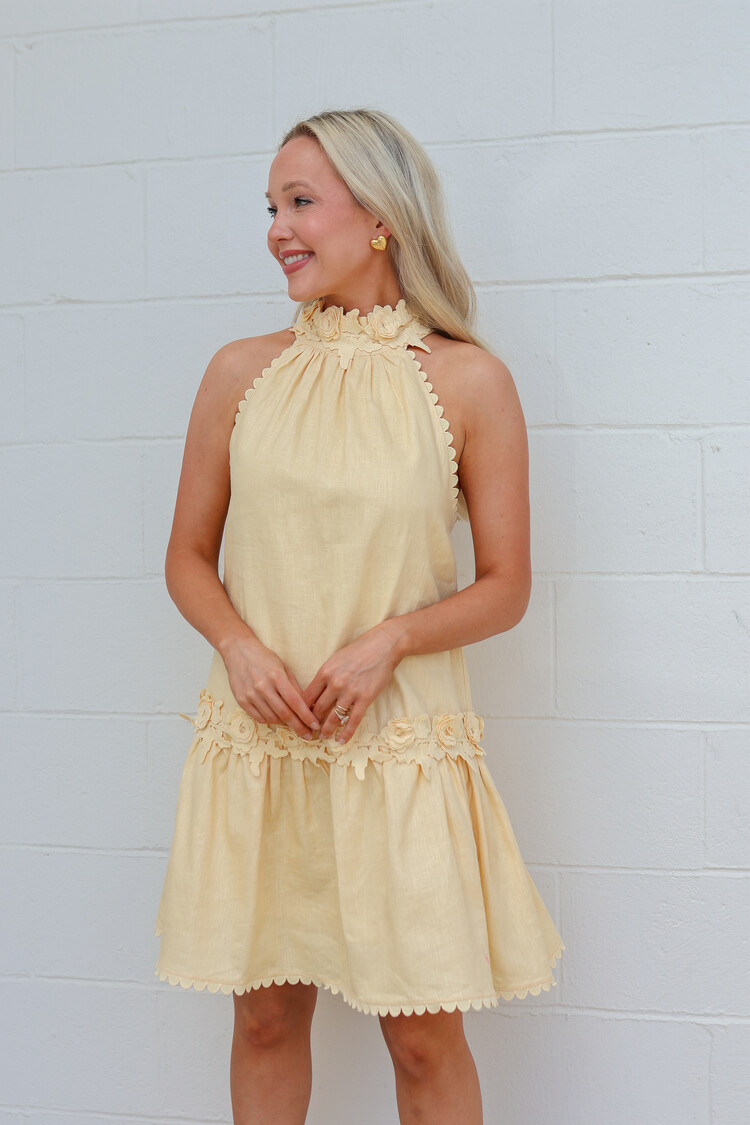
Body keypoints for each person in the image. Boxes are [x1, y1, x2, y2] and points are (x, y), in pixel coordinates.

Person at [153, 107, 564, 1125]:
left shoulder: (468, 380)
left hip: (396, 749)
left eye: (300, 202)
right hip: (262, 741)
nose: (276, 230)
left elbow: (507, 584)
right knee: (262, 1019)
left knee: (422, 1035)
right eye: (269, 207)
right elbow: (187, 558)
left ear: (381, 216)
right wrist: (238, 648)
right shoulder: (238, 372)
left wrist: (392, 640)